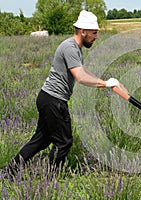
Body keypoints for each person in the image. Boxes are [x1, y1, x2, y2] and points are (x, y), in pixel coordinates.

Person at [6, 10, 128, 175]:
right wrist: (105, 84)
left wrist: (106, 81)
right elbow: (81, 77)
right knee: (64, 142)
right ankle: (51, 178)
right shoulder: (70, 48)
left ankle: (9, 172)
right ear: (83, 31)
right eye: (94, 33)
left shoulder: (74, 47)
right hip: (53, 100)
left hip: (48, 98)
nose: (96, 37)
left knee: (41, 140)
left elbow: (83, 71)